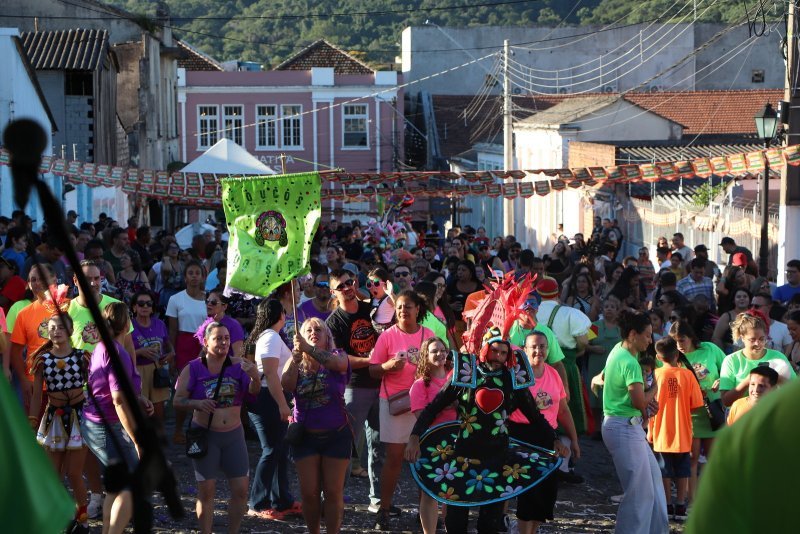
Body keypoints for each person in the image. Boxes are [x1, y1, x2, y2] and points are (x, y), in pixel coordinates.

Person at [405, 329, 567, 534]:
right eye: (494, 351)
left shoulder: (513, 381)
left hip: (497, 457)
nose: (498, 357)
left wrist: (555, 439)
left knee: (489, 524)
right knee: (455, 521)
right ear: (484, 350)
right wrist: (414, 437)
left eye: (503, 353)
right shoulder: (465, 374)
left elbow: (535, 417)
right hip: (463, 456)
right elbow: (432, 408)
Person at [173, 321, 261, 534]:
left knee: (240, 491)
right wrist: (196, 403)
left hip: (233, 435)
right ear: (205, 341)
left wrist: (256, 377)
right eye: (218, 338)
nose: (223, 342)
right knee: (207, 491)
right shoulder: (193, 368)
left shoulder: (238, 365)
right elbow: (177, 400)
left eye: (226, 338)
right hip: (206, 435)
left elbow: (253, 393)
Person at [684, 380, 800, 533]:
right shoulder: (743, 408)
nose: (756, 390)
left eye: (761, 386)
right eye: (752, 385)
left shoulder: (773, 411)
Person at [81, 302, 154, 534]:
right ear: (126, 324)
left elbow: (112, 389)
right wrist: (136, 439)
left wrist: (139, 397)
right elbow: (118, 400)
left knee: (115, 487)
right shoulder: (117, 353)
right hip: (106, 426)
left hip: (95, 422)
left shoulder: (102, 347)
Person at [369, 290, 434, 530]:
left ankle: (424, 513)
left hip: (423, 406)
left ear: (418, 309)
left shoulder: (429, 335)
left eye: (407, 306)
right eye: (399, 308)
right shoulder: (387, 336)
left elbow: (441, 364)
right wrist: (389, 366)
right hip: (394, 404)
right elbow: (373, 370)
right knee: (394, 459)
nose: (403, 311)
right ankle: (383, 510)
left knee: (423, 460)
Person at [281, 318, 351, 534]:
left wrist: (309, 349)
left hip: (336, 434)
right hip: (305, 436)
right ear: (300, 335)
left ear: (327, 335)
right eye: (308, 330)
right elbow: (287, 384)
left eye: (318, 329)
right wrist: (294, 359)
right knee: (309, 493)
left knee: (332, 492)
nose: (314, 332)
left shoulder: (338, 355)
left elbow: (338, 365)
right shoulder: (295, 359)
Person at [601, 309, 668, 534]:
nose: (650, 340)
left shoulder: (619, 351)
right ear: (632, 334)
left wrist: (647, 398)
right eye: (647, 335)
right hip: (623, 427)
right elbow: (639, 401)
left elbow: (605, 381)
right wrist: (655, 389)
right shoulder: (628, 360)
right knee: (640, 493)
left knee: (653, 483)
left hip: (625, 425)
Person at [509, 331, 581, 533]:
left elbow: (563, 410)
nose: (538, 350)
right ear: (524, 349)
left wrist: (574, 440)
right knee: (529, 491)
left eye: (542, 346)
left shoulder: (553, 373)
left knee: (547, 492)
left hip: (549, 437)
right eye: (533, 346)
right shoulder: (517, 375)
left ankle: (533, 530)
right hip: (522, 436)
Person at [28, 315, 90, 533]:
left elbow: (93, 390)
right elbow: (37, 396)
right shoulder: (42, 360)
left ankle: (83, 521)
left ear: (71, 330)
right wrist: (33, 421)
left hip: (79, 418)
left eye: (62, 327)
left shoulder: (83, 357)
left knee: (74, 473)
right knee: (54, 475)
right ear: (48, 332)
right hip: (54, 418)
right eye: (53, 328)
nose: (56, 331)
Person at [245, 299, 300, 520]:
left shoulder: (269, 336)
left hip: (271, 397)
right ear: (281, 315)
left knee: (279, 450)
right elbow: (269, 374)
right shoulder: (270, 337)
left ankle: (282, 499)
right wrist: (282, 404)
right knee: (271, 450)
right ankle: (257, 503)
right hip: (268, 398)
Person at [668, 319, 725, 502]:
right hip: (689, 411)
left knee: (713, 457)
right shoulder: (673, 356)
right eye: (675, 341)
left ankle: (711, 497)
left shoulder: (709, 348)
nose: (679, 345)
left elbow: (727, 367)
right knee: (691, 458)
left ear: (691, 337)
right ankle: (691, 499)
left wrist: (721, 380)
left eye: (682, 340)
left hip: (712, 410)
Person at [649, 337, 703, 522]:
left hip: (661, 430)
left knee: (664, 470)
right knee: (682, 470)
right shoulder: (688, 375)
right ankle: (681, 505)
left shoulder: (654, 374)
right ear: (677, 354)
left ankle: (666, 504)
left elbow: (648, 402)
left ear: (658, 356)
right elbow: (696, 404)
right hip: (683, 431)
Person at [408, 336, 455, 534]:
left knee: (452, 492)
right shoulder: (420, 385)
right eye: (434, 351)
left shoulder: (456, 378)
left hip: (456, 440)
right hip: (432, 442)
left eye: (442, 350)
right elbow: (422, 417)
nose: (439, 354)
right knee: (430, 493)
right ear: (425, 356)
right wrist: (446, 403)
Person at [536, 277, 592, 435]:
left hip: (536, 367)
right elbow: (583, 341)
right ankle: (568, 445)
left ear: (538, 294)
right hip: (564, 364)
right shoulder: (570, 313)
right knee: (566, 408)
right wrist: (578, 352)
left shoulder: (530, 313)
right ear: (558, 293)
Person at [166, 260, 207, 444]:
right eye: (190, 272)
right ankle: (178, 430)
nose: (194, 276)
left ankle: (198, 428)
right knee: (182, 390)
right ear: (185, 277)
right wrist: (172, 354)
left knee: (203, 388)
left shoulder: (209, 299)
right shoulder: (175, 299)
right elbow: (172, 330)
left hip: (205, 346)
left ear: (203, 276)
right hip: (183, 346)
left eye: (198, 273)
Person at [9, 264, 61, 408]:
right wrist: (24, 381)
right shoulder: (24, 313)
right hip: (35, 386)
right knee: (35, 429)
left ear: (54, 279)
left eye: (42, 278)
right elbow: (15, 352)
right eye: (33, 279)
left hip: (66, 383)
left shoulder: (68, 307)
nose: (37, 283)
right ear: (28, 284)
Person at [719, 310, 795, 407]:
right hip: (742, 416)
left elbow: (794, 390)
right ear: (742, 338)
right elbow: (726, 401)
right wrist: (749, 380)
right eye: (752, 340)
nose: (757, 344)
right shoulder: (731, 360)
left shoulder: (778, 357)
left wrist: (777, 378)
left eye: (761, 339)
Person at [130, 290, 173, 432]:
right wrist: (140, 352)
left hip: (157, 369)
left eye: (149, 303)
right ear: (134, 307)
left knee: (159, 409)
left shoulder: (159, 324)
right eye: (141, 303)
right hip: (137, 370)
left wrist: (171, 353)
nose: (145, 306)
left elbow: (167, 343)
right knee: (142, 410)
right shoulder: (128, 326)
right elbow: (122, 353)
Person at [585, 297, 622, 433]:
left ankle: (610, 426)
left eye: (612, 307)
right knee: (595, 396)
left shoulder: (621, 328)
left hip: (615, 367)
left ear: (617, 311)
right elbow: (583, 344)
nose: (609, 309)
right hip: (596, 364)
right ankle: (596, 428)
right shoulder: (594, 326)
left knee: (613, 395)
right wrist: (593, 349)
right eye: (606, 307)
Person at [201, 289, 245, 358]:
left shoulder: (233, 325)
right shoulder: (207, 323)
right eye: (207, 301)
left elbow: (238, 354)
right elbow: (204, 351)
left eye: (213, 302)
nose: (209, 304)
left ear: (224, 306)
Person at [711, 288, 751, 353]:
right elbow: (716, 338)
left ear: (749, 300)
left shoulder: (755, 315)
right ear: (733, 300)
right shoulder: (726, 316)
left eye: (745, 296)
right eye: (738, 297)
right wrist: (722, 355)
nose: (742, 298)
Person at [365, 267, 395, 333]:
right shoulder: (373, 300)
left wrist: (391, 294)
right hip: (377, 335)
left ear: (386, 284)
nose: (372, 287)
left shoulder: (388, 299)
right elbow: (363, 299)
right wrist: (356, 292)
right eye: (369, 284)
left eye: (376, 283)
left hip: (389, 334)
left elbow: (399, 305)